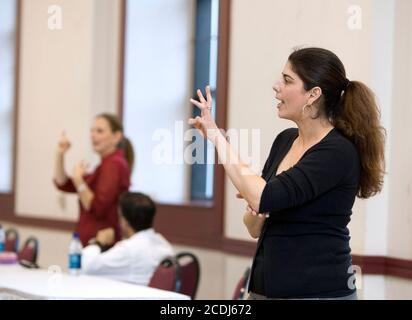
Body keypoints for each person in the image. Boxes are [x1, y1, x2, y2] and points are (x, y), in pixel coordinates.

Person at [189, 47, 385, 299]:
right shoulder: (285, 140)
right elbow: (254, 226)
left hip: (318, 292)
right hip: (265, 289)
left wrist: (216, 136)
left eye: (287, 80)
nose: (276, 86)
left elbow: (261, 197)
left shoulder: (337, 152)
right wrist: (258, 201)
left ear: (313, 94)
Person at [54, 113, 134, 246]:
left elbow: (97, 207)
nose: (93, 135)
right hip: (89, 244)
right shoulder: (103, 166)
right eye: (92, 131)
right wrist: (60, 154)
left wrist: (79, 181)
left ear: (116, 136)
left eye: (100, 131)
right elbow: (63, 183)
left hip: (101, 246)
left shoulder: (115, 164)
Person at [81, 192, 174, 286]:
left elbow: (85, 266)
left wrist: (98, 243)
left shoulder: (129, 249)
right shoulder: (162, 242)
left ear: (124, 221)